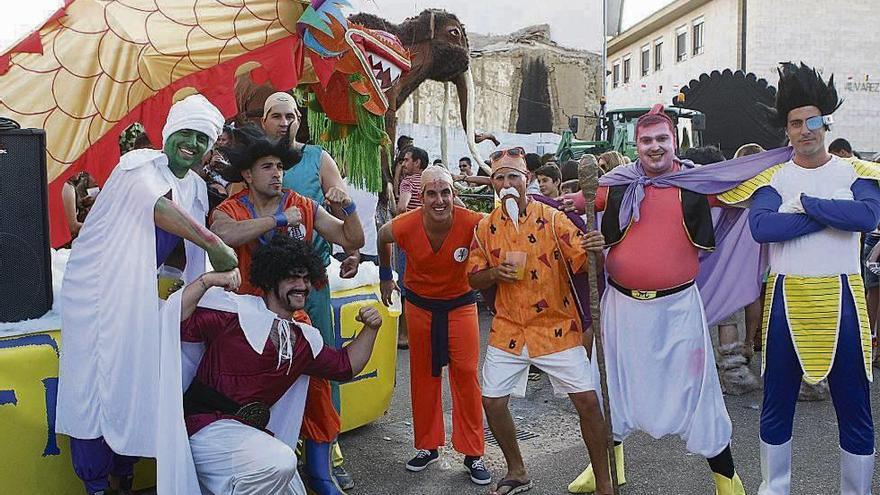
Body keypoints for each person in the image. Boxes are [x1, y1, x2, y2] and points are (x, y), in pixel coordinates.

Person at [56, 94, 237, 495]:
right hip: (104, 300)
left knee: (139, 389)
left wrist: (186, 294)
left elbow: (182, 257)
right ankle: (95, 485)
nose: (191, 143)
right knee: (99, 391)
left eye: (202, 138)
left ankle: (124, 477)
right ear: (168, 133)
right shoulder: (137, 165)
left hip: (149, 300)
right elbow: (159, 210)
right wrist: (215, 245)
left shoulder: (195, 186)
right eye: (185, 133)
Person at [568, 107, 746, 495]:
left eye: (662, 139)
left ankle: (727, 480)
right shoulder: (617, 184)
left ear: (674, 143)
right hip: (621, 309)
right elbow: (576, 203)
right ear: (636, 146)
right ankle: (606, 468)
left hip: (678, 310)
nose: (655, 147)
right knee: (610, 387)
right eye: (647, 141)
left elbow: (742, 191)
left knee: (699, 395)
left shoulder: (696, 184)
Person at [721, 62, 877, 494]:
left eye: (812, 120)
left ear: (825, 122)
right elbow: (763, 228)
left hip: (845, 298)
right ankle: (775, 489)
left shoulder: (857, 173)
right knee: (776, 403)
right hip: (786, 299)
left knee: (854, 405)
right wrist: (828, 212)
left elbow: (867, 215)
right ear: (786, 129)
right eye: (795, 123)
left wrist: (803, 203)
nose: (805, 130)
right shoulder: (773, 177)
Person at [209, 135, 364, 494]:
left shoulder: (304, 205)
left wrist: (350, 209)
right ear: (247, 174)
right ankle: (256, 469)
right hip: (245, 326)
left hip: (295, 322)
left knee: (319, 392)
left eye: (280, 166)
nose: (277, 173)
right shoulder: (232, 208)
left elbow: (350, 239)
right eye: (268, 166)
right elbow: (221, 234)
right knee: (249, 398)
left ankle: (321, 474)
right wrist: (278, 220)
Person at [179, 235, 384, 494]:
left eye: (307, 278)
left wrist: (371, 328)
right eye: (292, 278)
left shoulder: (302, 340)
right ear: (271, 280)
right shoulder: (232, 314)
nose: (302, 285)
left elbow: (345, 366)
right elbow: (177, 320)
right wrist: (207, 281)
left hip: (249, 439)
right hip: (205, 429)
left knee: (290, 486)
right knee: (280, 463)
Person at [467, 147, 612, 495]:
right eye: (499, 177)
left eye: (513, 176)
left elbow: (586, 265)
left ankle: (605, 483)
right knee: (492, 402)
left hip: (556, 327)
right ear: (493, 184)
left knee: (589, 403)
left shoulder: (553, 219)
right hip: (509, 331)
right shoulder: (485, 229)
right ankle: (517, 471)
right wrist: (493, 274)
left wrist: (596, 249)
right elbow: (472, 277)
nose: (506, 183)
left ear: (526, 180)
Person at [261, 91, 360, 490]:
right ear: (263, 121)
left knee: (324, 364)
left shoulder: (319, 158)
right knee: (269, 365)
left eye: (291, 115)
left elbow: (339, 208)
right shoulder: (254, 162)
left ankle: (327, 449)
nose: (285, 122)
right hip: (265, 288)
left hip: (313, 283)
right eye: (276, 116)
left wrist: (351, 249)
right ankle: (274, 449)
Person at [376, 165, 490, 485]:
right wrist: (386, 276)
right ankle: (428, 445)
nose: (439, 200)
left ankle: (473, 452)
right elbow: (382, 236)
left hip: (460, 306)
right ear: (421, 198)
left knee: (466, 376)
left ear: (454, 194)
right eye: (431, 193)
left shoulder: (474, 222)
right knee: (423, 376)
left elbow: (505, 233)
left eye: (445, 192)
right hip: (420, 307)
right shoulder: (405, 224)